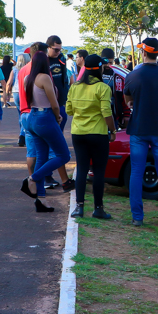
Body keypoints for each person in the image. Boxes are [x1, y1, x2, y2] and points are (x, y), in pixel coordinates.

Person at [124, 38, 158, 227]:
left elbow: (128, 99)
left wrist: (133, 103)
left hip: (139, 129)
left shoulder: (133, 76)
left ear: (143, 53)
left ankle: (137, 217)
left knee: (136, 172)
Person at [19, 51, 70, 213]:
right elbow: (54, 104)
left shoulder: (28, 78)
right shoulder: (44, 78)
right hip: (45, 116)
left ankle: (40, 199)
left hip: (31, 116)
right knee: (64, 155)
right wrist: (58, 117)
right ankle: (32, 178)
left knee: (41, 157)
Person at [66, 54, 115, 220]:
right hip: (98, 134)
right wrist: (113, 130)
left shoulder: (75, 87)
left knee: (82, 169)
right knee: (99, 172)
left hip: (78, 133)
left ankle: (79, 207)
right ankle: (98, 208)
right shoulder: (103, 88)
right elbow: (106, 113)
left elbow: (69, 111)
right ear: (99, 69)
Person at [45, 35, 73, 191]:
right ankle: (46, 175)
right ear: (48, 47)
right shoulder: (43, 62)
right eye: (55, 49)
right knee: (50, 142)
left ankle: (49, 175)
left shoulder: (61, 61)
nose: (58, 52)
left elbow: (65, 81)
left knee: (57, 141)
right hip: (48, 107)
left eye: (60, 49)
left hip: (60, 105)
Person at [17, 44, 48, 164]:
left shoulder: (22, 70)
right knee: (45, 151)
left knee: (31, 152)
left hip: (24, 112)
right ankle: (43, 178)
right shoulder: (40, 71)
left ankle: (32, 179)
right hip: (37, 112)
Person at [6, 52, 28, 147]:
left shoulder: (14, 70)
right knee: (26, 113)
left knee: (20, 114)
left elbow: (9, 83)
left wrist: (7, 94)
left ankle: (22, 134)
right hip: (25, 92)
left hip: (16, 93)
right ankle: (23, 135)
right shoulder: (28, 69)